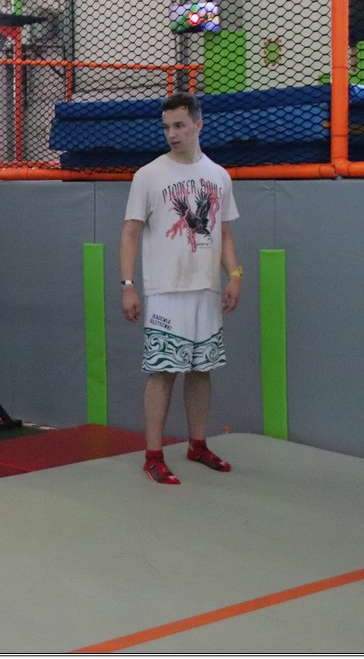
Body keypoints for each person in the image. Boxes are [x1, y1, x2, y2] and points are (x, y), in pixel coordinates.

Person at [119, 93, 242, 485]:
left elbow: (223, 233)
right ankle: (153, 455)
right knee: (163, 369)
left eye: (179, 126)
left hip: (206, 288)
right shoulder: (149, 175)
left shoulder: (219, 175)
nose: (172, 134)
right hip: (166, 291)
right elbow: (130, 232)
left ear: (198, 125)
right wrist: (128, 285)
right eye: (167, 127)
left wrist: (235, 274)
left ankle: (198, 444)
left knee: (202, 369)